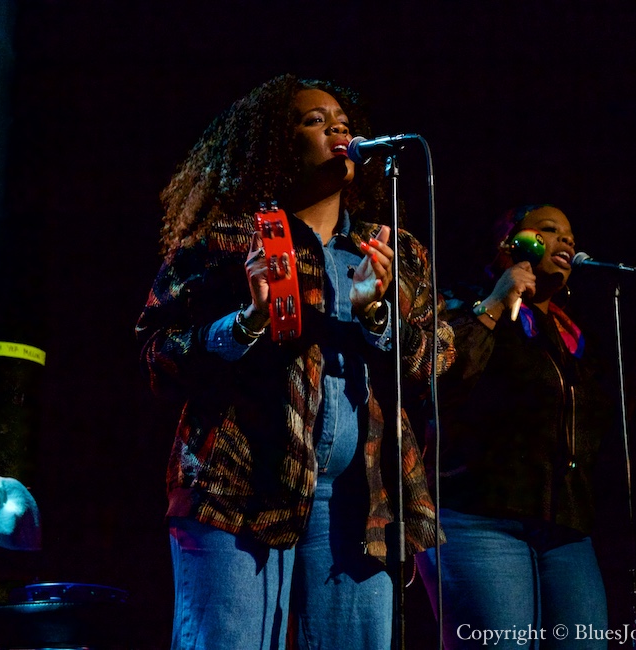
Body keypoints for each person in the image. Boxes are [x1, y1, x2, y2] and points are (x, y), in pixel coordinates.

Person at [135, 74, 454, 650]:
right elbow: (159, 356)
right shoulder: (229, 240)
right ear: (276, 147)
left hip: (361, 505)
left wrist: (377, 317)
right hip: (238, 491)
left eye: (342, 121)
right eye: (314, 120)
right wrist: (246, 324)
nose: (337, 127)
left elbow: (439, 359)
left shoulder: (391, 251)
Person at [415, 204, 636, 649]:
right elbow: (436, 378)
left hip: (564, 529)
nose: (567, 242)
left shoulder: (572, 337)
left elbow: (582, 437)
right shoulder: (460, 301)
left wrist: (628, 403)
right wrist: (492, 303)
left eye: (570, 235)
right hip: (479, 520)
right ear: (510, 244)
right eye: (549, 230)